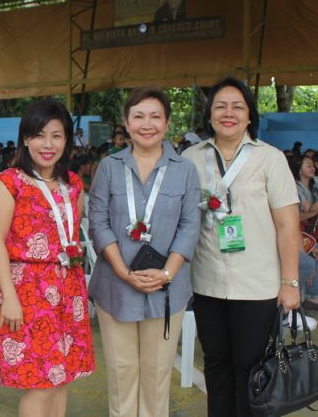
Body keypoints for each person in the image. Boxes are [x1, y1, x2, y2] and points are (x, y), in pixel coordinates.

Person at [182, 77, 301, 416]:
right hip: (206, 283)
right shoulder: (190, 158)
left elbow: (287, 225)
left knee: (251, 367)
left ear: (250, 115)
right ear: (209, 115)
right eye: (220, 106)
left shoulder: (270, 159)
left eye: (237, 106)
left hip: (257, 285)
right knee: (216, 364)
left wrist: (290, 283)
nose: (228, 113)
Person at [88, 88, 200, 416]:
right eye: (138, 116)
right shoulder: (109, 167)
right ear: (126, 122)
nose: (146, 124)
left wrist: (167, 272)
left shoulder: (184, 170)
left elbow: (190, 225)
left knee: (156, 375)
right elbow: (97, 220)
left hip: (167, 289)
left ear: (166, 123)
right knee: (122, 375)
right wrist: (124, 272)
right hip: (115, 287)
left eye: (155, 116)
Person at [0, 99, 95, 417]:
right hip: (28, 290)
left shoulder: (73, 184)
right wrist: (8, 295)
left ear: (67, 140)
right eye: (39, 135)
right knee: (38, 382)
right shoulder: (10, 182)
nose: (48, 144)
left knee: (62, 378)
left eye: (57, 135)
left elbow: (70, 236)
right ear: (25, 138)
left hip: (68, 288)